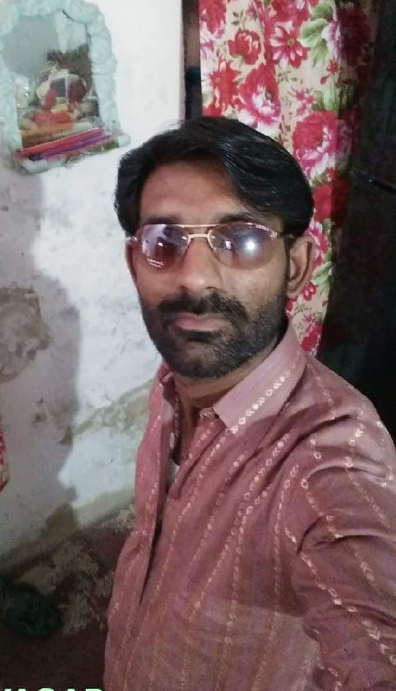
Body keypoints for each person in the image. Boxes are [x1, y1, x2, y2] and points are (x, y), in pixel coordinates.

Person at [104, 116, 396, 691]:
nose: (194, 279)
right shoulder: (175, 383)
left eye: (240, 239)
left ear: (296, 266)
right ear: (134, 262)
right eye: (163, 242)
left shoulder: (330, 458)